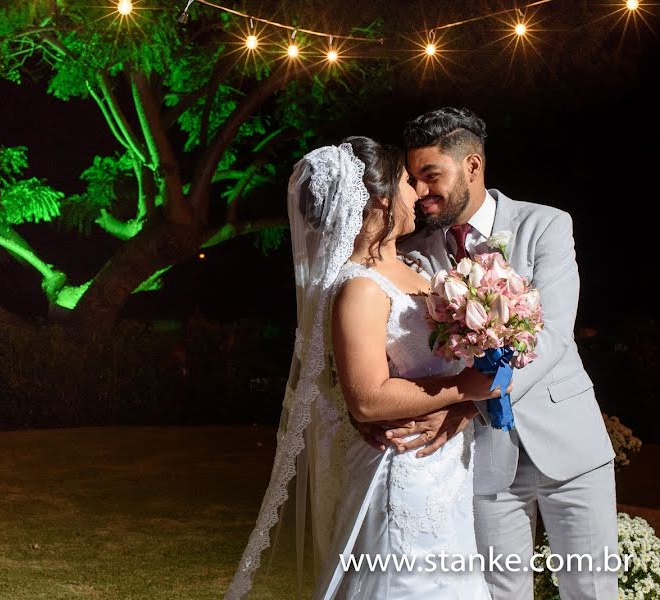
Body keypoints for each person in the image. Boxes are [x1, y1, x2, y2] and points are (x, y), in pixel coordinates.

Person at [225, 137, 503, 599]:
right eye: (405, 182)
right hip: (401, 469)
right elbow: (367, 397)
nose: (416, 191)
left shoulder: (415, 267)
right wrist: (466, 388)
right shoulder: (360, 288)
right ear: (379, 197)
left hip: (446, 472)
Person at [375, 107, 617, 600]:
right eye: (415, 179)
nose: (421, 192)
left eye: (431, 176)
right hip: (483, 462)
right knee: (500, 593)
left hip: (570, 447)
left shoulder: (545, 225)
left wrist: (467, 405)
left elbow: (552, 338)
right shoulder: (416, 250)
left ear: (472, 165)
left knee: (591, 590)